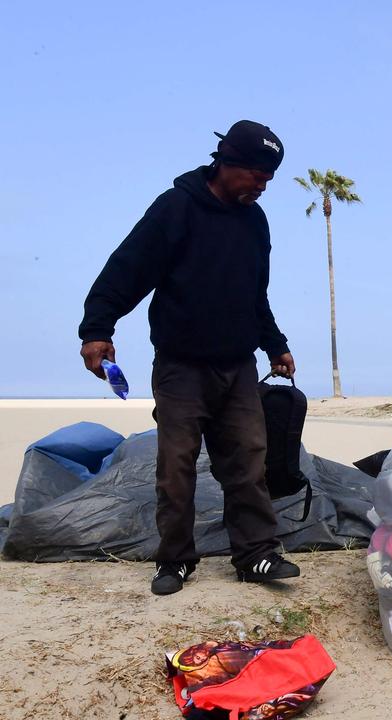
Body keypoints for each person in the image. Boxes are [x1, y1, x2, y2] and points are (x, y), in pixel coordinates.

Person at [79, 120, 301, 596]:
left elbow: (253, 294)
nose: (261, 187)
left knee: (248, 461)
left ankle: (256, 554)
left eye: (268, 180)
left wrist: (274, 344)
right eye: (256, 176)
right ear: (226, 162)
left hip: (238, 366)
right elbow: (127, 268)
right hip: (181, 365)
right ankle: (176, 560)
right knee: (176, 465)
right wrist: (98, 328)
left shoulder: (254, 221)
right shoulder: (177, 207)